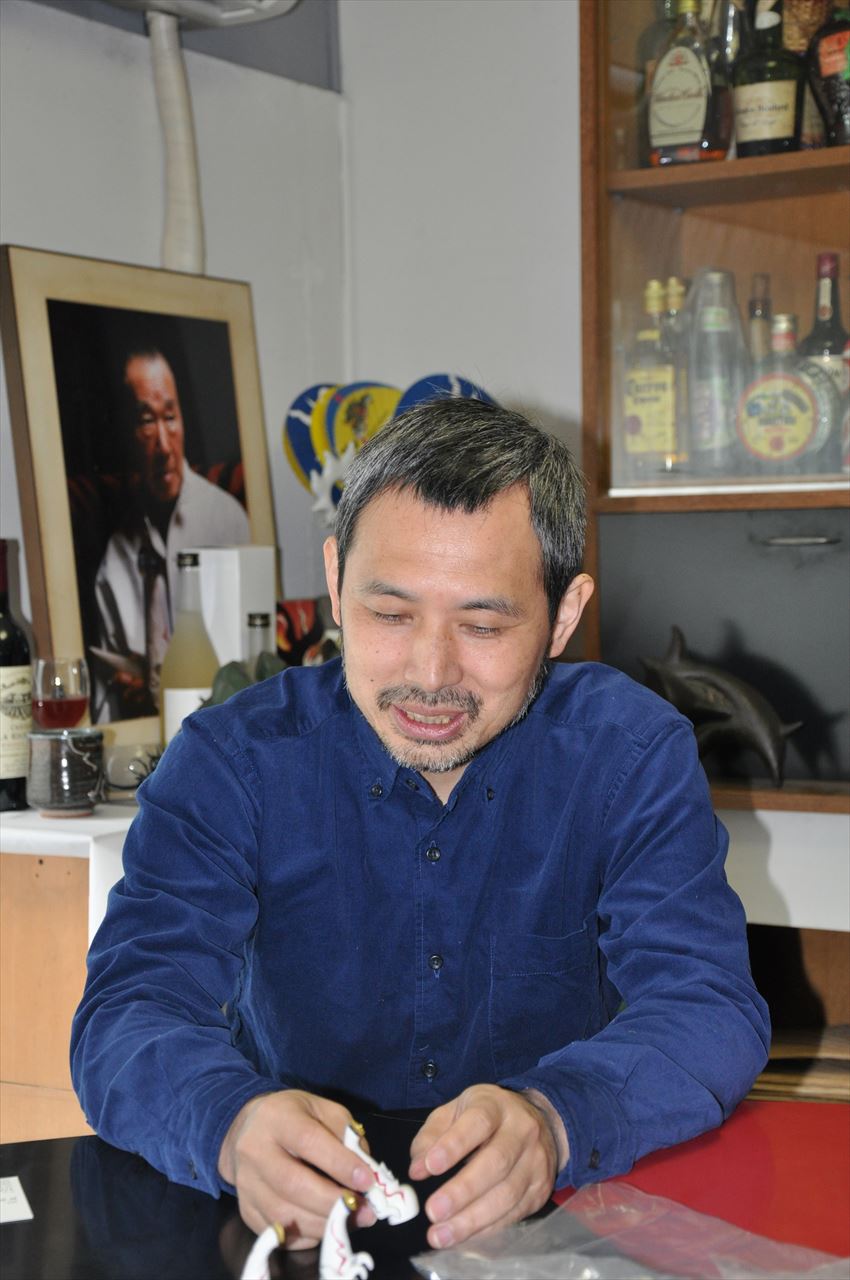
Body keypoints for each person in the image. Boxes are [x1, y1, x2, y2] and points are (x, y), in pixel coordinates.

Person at [72, 397, 769, 1255]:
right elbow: (129, 1011)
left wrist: (558, 1116)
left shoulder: (628, 755)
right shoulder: (232, 762)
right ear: (336, 580)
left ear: (563, 614)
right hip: (294, 1223)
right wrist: (228, 1121)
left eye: (482, 625)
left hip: (561, 1224)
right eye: (390, 614)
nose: (430, 675)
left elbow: (707, 1005)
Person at [92, 347, 250, 721]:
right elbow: (103, 703)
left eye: (170, 417)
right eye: (147, 422)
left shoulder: (226, 520)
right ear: (126, 434)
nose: (164, 446)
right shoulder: (115, 559)